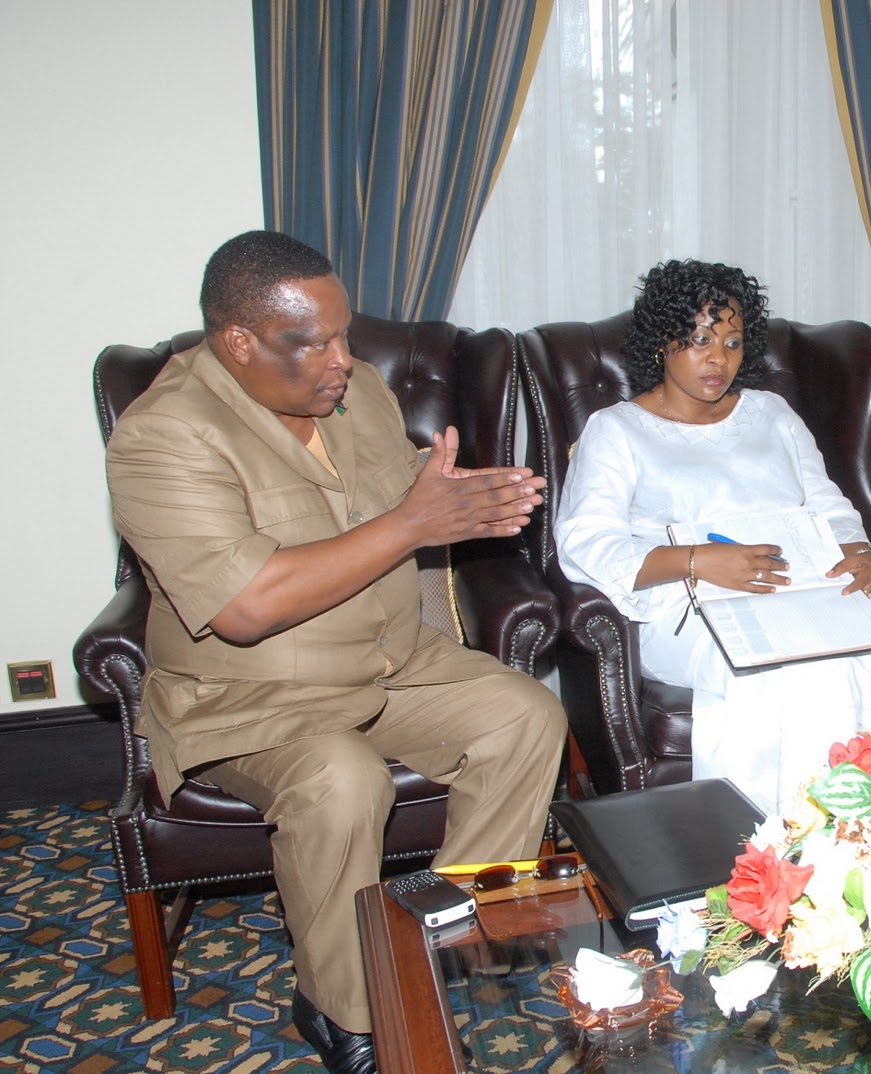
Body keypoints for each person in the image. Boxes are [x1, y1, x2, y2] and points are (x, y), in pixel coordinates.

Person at [105, 231, 567, 1074]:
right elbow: (245, 607)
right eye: (312, 342)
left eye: (343, 335)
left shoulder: (359, 394)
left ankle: (436, 945)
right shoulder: (164, 437)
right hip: (253, 693)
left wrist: (460, 503)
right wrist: (414, 523)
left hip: (392, 658)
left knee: (528, 716)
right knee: (341, 780)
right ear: (238, 341)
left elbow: (393, 504)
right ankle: (347, 1009)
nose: (341, 360)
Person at [554, 259, 871, 814]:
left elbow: (827, 502)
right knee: (808, 676)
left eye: (734, 343)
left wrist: (857, 548)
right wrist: (695, 560)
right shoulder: (616, 430)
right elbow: (586, 543)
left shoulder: (770, 413)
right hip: (691, 599)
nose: (719, 359)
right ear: (663, 341)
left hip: (807, 578)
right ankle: (807, 833)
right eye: (700, 340)